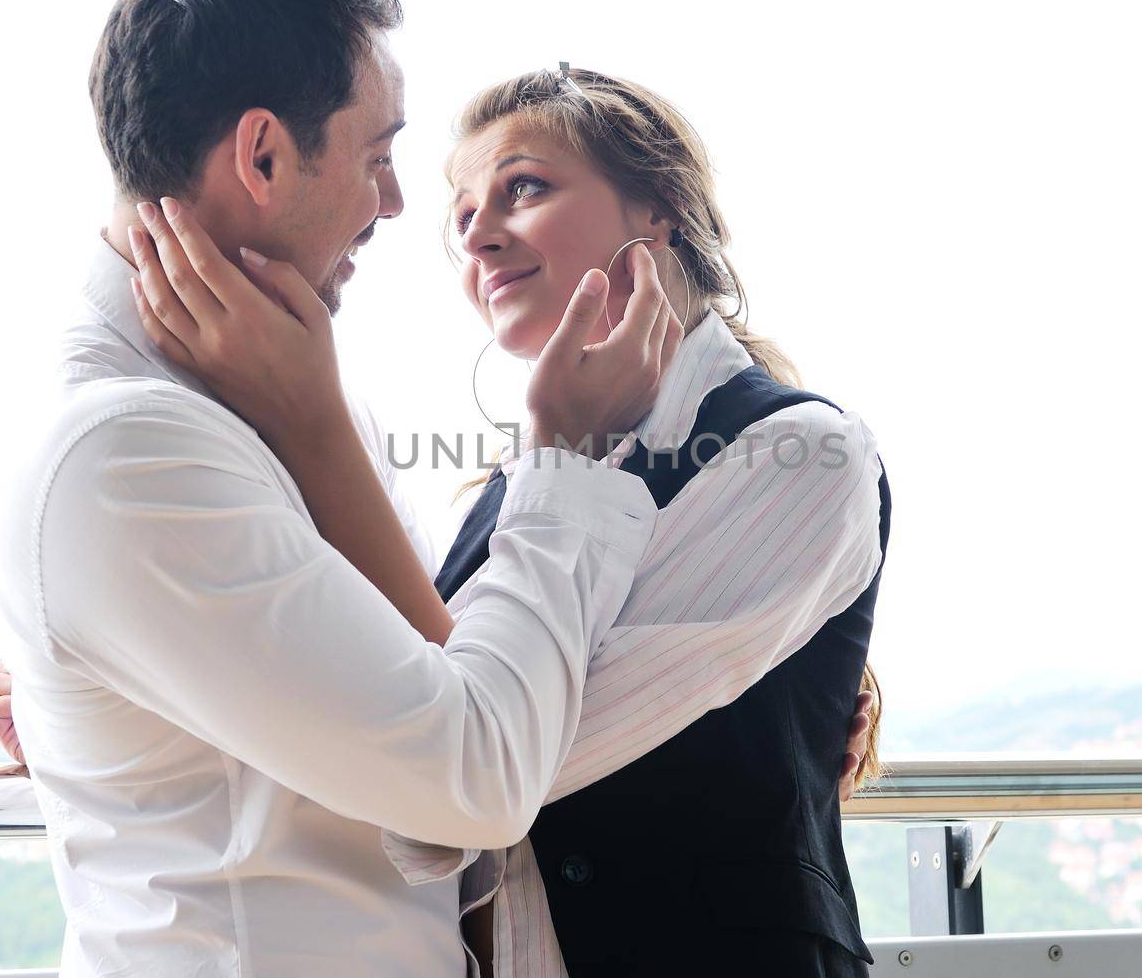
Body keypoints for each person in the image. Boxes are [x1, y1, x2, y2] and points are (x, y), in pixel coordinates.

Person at [0, 0, 682, 977]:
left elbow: (426, 669)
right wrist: (565, 457)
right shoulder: (128, 453)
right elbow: (476, 776)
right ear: (263, 155)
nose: (399, 206)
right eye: (378, 156)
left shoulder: (286, 387)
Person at [115, 65, 891, 976]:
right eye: (462, 214)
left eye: (523, 187)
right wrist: (131, 644)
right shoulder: (512, 490)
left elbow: (478, 762)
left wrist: (312, 422)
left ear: (658, 213)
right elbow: (419, 685)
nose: (477, 232)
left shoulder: (804, 453)